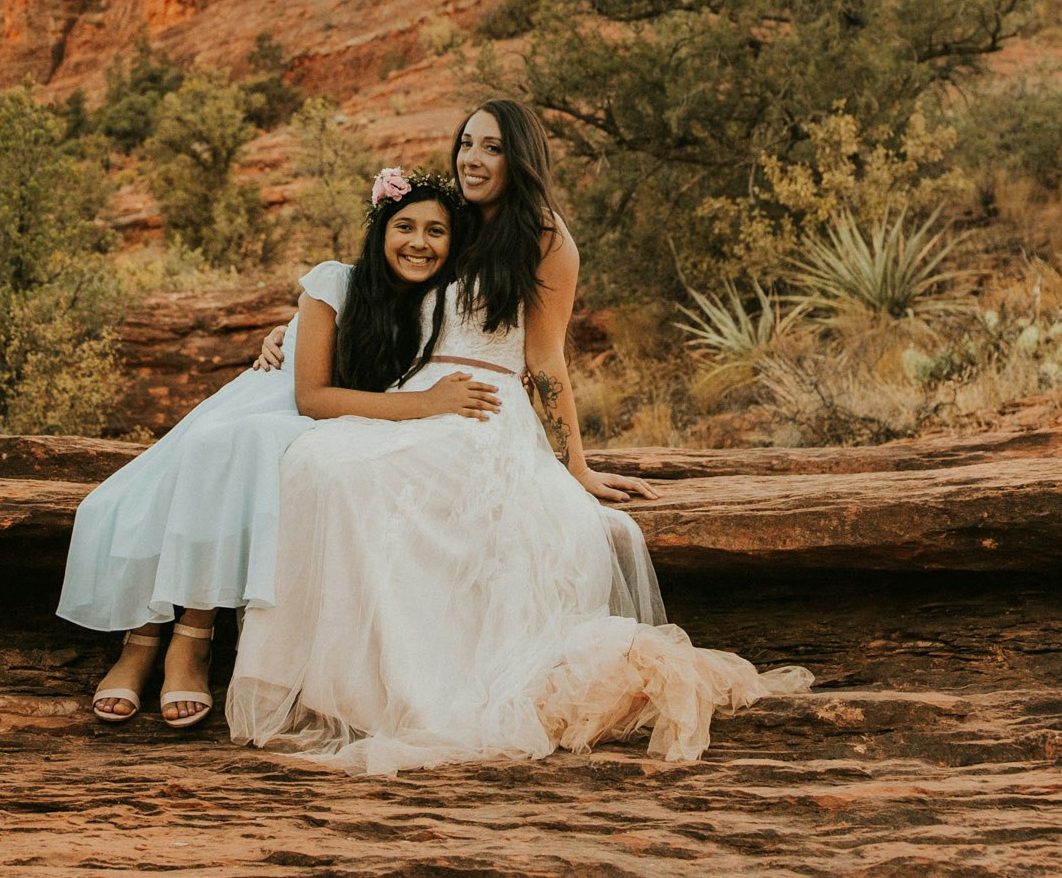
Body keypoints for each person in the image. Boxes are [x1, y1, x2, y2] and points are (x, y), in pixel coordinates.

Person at [228, 98, 811, 772]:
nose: (474, 159)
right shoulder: (454, 219)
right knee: (317, 462)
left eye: (493, 147)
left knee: (349, 472)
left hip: (482, 406)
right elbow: (382, 278)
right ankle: (347, 685)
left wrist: (578, 468)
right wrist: (294, 327)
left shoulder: (545, 240)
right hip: (414, 395)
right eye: (467, 144)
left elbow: (545, 360)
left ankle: (418, 692)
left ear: (522, 157)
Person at [58, 173, 484, 726]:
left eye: (436, 231)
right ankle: (147, 639)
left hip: (339, 421)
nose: (418, 242)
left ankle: (191, 641)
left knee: (252, 455)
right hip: (279, 401)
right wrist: (424, 403)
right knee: (224, 446)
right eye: (404, 226)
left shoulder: (442, 304)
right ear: (380, 231)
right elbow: (309, 396)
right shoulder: (338, 281)